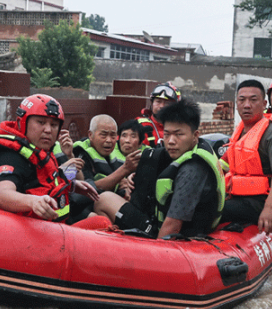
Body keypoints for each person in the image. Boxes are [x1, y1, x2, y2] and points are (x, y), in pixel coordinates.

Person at [0, 94, 104, 228]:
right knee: (101, 223)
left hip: (46, 223)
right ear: (23, 122)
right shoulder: (10, 156)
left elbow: (43, 182)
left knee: (97, 219)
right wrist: (33, 202)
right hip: (14, 229)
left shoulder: (41, 151)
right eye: (41, 122)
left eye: (54, 125)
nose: (48, 130)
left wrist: (72, 185)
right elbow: (2, 196)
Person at [94, 100, 225, 238]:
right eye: (167, 134)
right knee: (103, 199)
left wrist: (155, 253)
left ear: (195, 135)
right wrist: (134, 177)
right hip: (156, 220)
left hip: (174, 235)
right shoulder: (187, 151)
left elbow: (173, 225)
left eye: (179, 134)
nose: (171, 141)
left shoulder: (193, 170)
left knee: (102, 201)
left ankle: (121, 246)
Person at [220, 80, 272, 234]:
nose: (247, 105)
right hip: (237, 195)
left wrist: (269, 208)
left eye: (253, 100)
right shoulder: (240, 131)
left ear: (264, 103)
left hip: (259, 201)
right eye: (242, 100)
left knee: (207, 210)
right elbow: (224, 165)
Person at [73, 114, 141, 194]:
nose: (109, 140)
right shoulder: (80, 154)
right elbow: (85, 190)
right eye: (103, 135)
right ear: (90, 135)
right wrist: (124, 170)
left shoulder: (116, 153)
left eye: (113, 135)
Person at [137, 82, 181, 147]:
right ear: (151, 103)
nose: (162, 106)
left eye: (167, 103)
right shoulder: (138, 125)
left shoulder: (182, 128)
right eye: (158, 101)